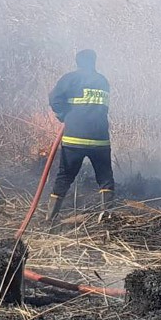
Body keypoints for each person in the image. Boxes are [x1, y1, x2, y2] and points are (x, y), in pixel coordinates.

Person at [45, 49, 114, 221]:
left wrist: (64, 115)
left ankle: (50, 218)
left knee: (65, 176)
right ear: (94, 61)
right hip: (100, 140)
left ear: (77, 62)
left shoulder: (70, 79)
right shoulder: (103, 81)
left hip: (74, 139)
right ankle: (107, 215)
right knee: (105, 178)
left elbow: (54, 99)